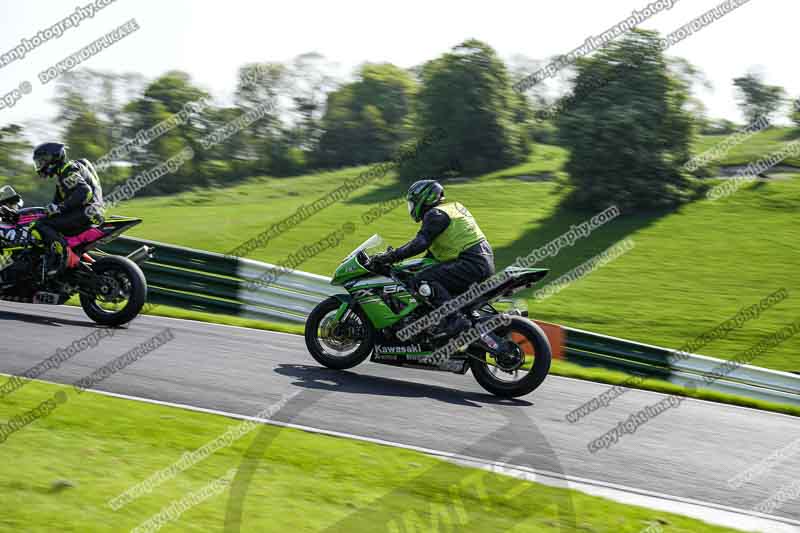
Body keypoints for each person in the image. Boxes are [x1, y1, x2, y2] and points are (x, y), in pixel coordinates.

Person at [371, 179, 495, 336]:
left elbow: (419, 244)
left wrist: (388, 257)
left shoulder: (435, 214)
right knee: (426, 277)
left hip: (469, 263)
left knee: (423, 280)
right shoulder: (452, 208)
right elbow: (431, 256)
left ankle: (454, 320)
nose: (412, 207)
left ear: (425, 198)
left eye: (413, 202)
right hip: (480, 261)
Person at [31, 142, 104, 281]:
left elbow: (84, 193)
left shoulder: (68, 170)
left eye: (41, 161)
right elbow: (55, 203)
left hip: (85, 213)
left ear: (53, 158)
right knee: (44, 220)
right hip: (89, 212)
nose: (40, 165)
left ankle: (62, 257)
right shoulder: (63, 176)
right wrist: (52, 209)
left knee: (40, 225)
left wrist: (60, 208)